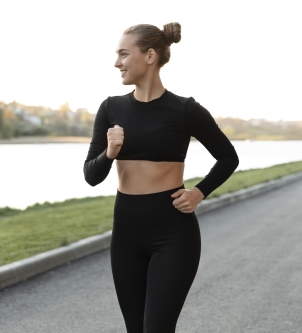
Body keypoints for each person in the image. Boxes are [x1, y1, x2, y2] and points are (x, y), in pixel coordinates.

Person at [83, 23, 239, 332]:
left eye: (124, 54)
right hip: (125, 232)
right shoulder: (111, 108)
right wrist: (110, 152)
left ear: (150, 55)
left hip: (172, 232)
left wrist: (199, 192)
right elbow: (91, 175)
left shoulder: (184, 110)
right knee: (135, 329)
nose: (117, 63)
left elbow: (228, 157)